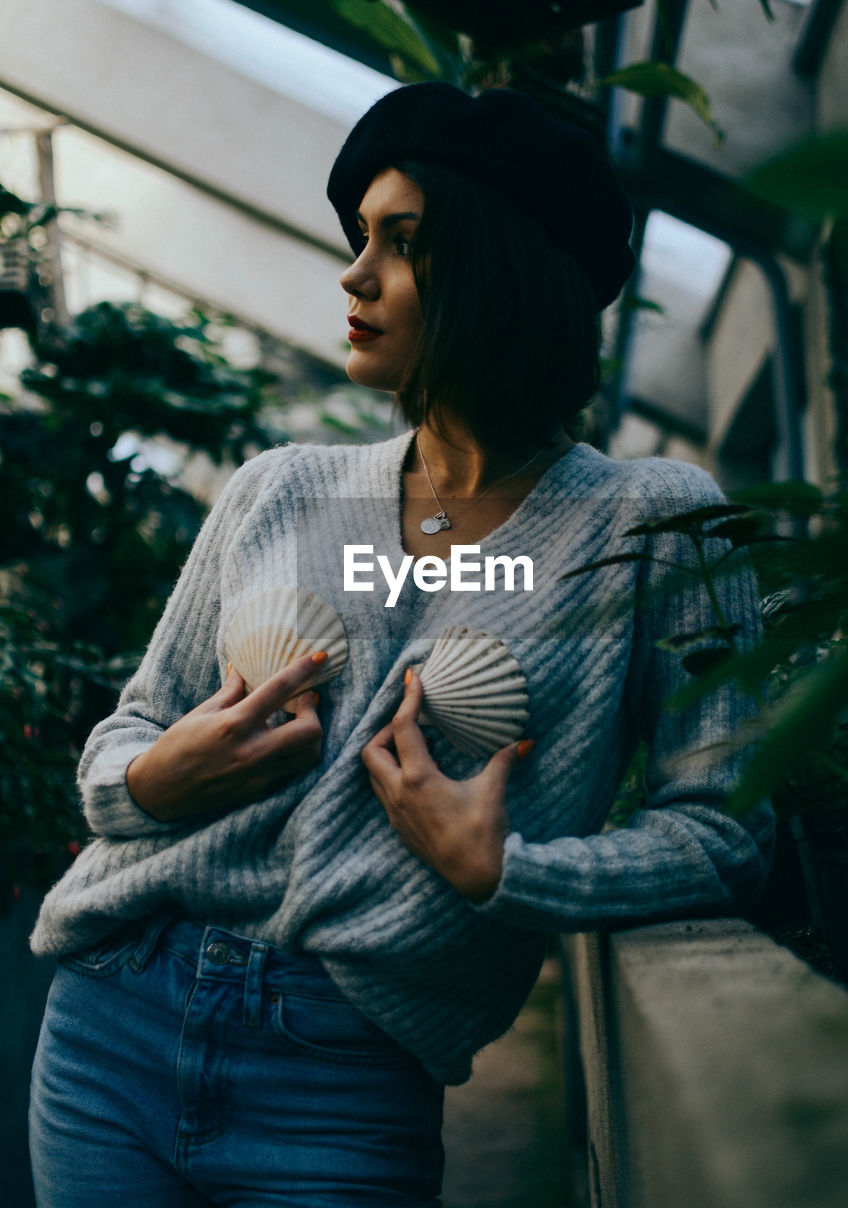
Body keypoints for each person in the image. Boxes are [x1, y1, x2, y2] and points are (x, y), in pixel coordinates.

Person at [28, 83, 773, 1207]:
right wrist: (153, 774)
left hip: (344, 1074)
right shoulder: (276, 489)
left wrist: (507, 871)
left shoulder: (658, 520)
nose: (353, 273)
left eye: (401, 241)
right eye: (358, 236)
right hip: (113, 1017)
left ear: (502, 269)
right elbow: (126, 731)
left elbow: (724, 827)